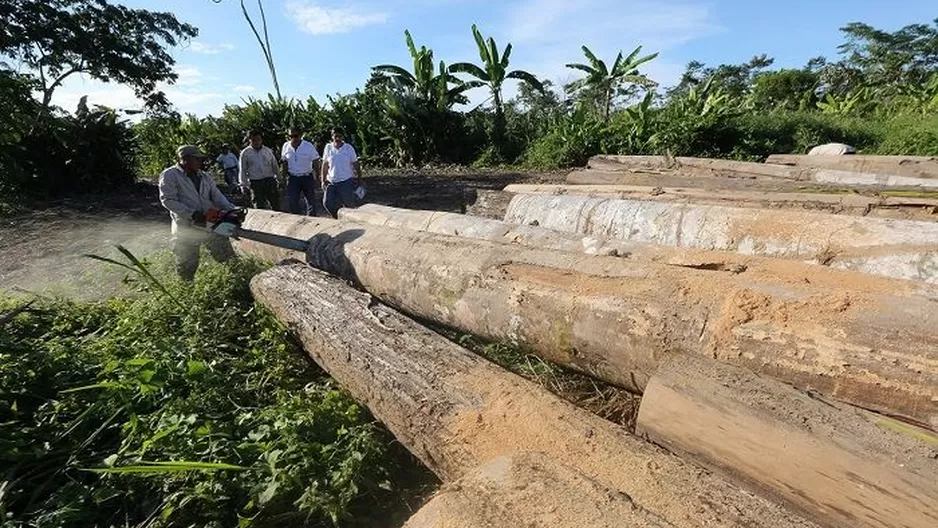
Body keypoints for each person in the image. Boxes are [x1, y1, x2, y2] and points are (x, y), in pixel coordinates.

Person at [158, 145, 237, 281]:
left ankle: (237, 280)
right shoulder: (170, 175)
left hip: (209, 221)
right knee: (187, 264)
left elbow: (217, 196)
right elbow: (168, 200)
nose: (200, 162)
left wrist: (232, 210)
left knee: (226, 256)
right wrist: (192, 214)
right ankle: (187, 290)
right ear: (185, 159)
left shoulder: (204, 176)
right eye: (197, 159)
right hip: (186, 226)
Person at [321, 127, 363, 218]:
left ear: (342, 137)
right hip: (332, 181)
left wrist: (360, 180)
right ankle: (337, 217)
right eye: (335, 136)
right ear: (332, 137)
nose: (338, 138)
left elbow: (356, 164)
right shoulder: (328, 148)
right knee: (327, 203)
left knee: (349, 204)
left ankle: (352, 221)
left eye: (340, 136)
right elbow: (325, 165)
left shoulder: (348, 148)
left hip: (346, 181)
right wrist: (323, 180)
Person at [281, 127, 321, 216]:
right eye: (290, 136)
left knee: (311, 201)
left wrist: (317, 177)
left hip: (306, 176)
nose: (293, 139)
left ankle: (312, 221)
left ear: (300, 135)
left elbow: (315, 161)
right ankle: (297, 222)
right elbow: (284, 162)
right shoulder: (285, 146)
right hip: (293, 178)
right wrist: (283, 178)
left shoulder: (308, 146)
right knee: (293, 202)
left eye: (295, 136)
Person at [239, 130, 280, 210]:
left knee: (275, 204)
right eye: (253, 140)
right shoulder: (245, 153)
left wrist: (279, 178)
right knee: (259, 205)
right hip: (256, 182)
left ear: (261, 140)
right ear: (249, 140)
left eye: (258, 139)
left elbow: (274, 165)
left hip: (269, 180)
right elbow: (242, 170)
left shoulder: (267, 151)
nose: (256, 142)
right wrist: (243, 185)